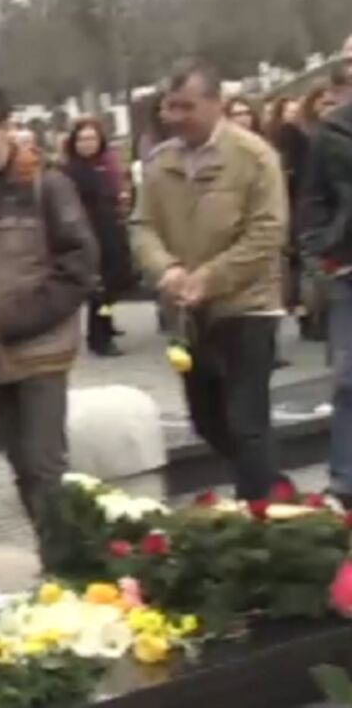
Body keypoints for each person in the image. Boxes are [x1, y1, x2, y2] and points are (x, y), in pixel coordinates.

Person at [132, 58, 288, 501]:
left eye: (187, 106)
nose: (175, 116)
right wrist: (166, 269)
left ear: (217, 103)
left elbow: (267, 231)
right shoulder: (160, 164)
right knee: (207, 421)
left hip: (247, 307)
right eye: (169, 106)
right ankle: (281, 496)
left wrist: (212, 277)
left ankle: (258, 515)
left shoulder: (255, 157)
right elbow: (142, 226)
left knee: (246, 423)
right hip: (188, 313)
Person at [0, 87, 97, 546]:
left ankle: (71, 565)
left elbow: (79, 267)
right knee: (21, 468)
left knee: (45, 467)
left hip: (42, 348)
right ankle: (53, 557)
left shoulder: (46, 184)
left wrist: (16, 319)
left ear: (7, 128)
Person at [300, 60, 352, 509]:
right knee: (348, 376)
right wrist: (322, 249)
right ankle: (345, 481)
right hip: (348, 266)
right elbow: (313, 198)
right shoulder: (331, 133)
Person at [62, 117, 133, 357]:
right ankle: (99, 337)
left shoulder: (105, 164)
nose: (87, 144)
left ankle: (107, 323)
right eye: (82, 139)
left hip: (110, 228)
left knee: (113, 282)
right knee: (99, 287)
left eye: (92, 138)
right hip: (90, 232)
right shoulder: (72, 171)